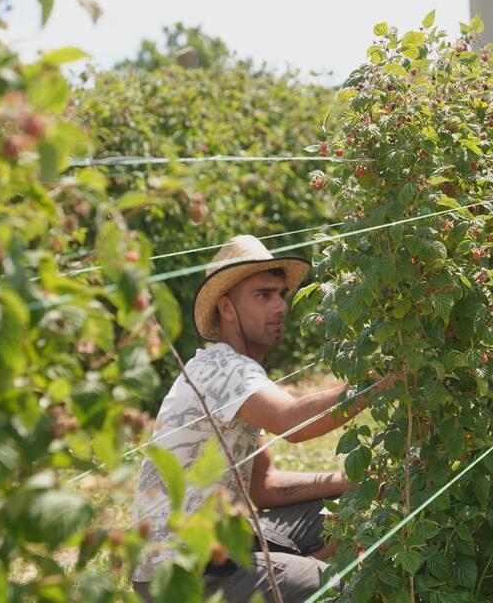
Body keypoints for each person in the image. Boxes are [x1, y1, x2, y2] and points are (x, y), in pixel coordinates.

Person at [130, 235, 395, 602]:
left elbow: (263, 484)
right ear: (226, 308)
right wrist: (382, 380)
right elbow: (292, 422)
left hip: (212, 550)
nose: (280, 307)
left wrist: (355, 482)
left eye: (281, 295)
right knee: (351, 585)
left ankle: (297, 578)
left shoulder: (227, 371)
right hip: (181, 573)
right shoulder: (223, 367)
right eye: (263, 295)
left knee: (341, 514)